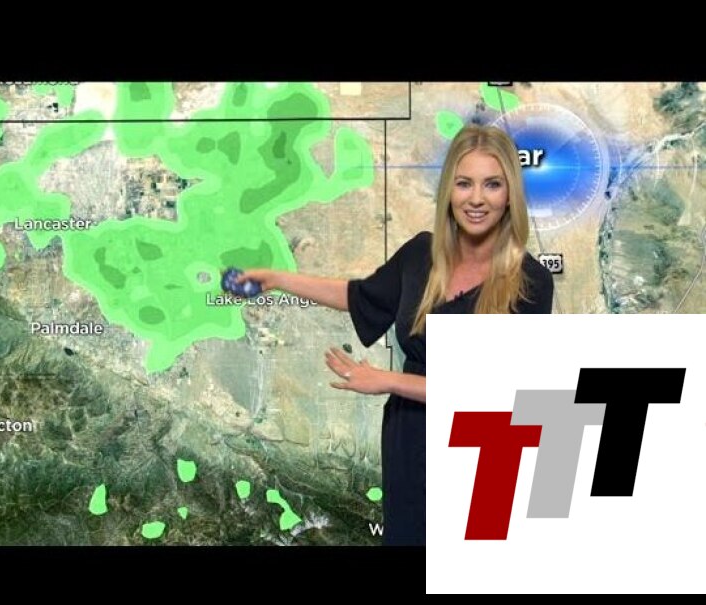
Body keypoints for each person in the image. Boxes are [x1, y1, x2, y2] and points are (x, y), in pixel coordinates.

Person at [236, 124, 554, 546]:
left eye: (492, 184)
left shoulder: (531, 282)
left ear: (510, 193)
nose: (476, 198)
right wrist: (277, 279)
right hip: (410, 439)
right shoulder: (421, 254)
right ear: (449, 190)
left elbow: (494, 393)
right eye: (464, 183)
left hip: (482, 453)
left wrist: (387, 380)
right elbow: (360, 295)